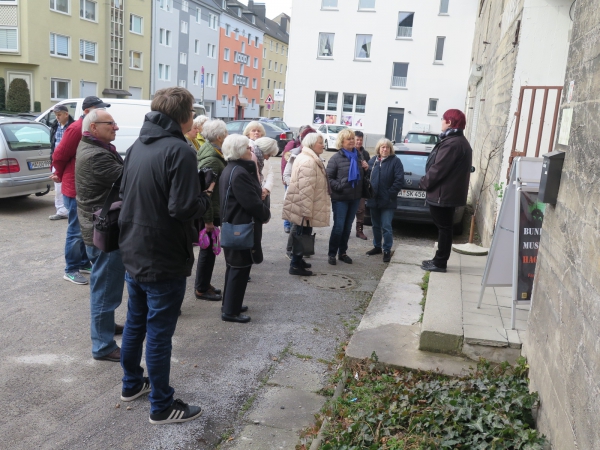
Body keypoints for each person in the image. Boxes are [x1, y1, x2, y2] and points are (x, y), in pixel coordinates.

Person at [118, 87, 212, 425]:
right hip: (162, 256)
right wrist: (205, 194)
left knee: (136, 322)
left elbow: (126, 192)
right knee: (157, 333)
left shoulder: (136, 147)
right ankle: (161, 405)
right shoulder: (180, 151)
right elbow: (182, 207)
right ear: (185, 116)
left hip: (134, 248)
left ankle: (131, 385)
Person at [75, 109, 125, 362]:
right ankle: (103, 346)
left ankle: (106, 327)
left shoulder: (96, 148)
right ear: (94, 128)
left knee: (105, 284)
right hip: (104, 230)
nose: (115, 127)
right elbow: (130, 179)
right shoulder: (97, 156)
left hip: (98, 226)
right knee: (105, 287)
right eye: (110, 124)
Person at [51, 96, 110, 285]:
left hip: (82, 186)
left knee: (85, 228)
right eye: (97, 109)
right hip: (74, 186)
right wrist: (58, 174)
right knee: (76, 230)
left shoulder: (87, 127)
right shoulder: (77, 128)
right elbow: (59, 154)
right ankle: (71, 269)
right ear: (86, 112)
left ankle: (84, 263)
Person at [219, 134, 271, 323]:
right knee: (239, 268)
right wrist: (265, 214)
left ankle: (231, 304)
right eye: (248, 149)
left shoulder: (232, 169)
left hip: (235, 224)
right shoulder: (239, 172)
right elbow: (251, 203)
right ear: (240, 152)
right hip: (240, 226)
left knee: (235, 268)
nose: (251, 151)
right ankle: (230, 311)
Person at [419, 109, 473, 273]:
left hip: (443, 195)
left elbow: (438, 169)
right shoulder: (456, 141)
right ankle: (438, 260)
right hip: (446, 193)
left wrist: (424, 183)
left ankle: (440, 262)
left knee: (444, 228)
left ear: (449, 122)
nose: (441, 122)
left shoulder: (453, 144)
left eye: (443, 119)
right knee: (445, 228)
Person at [283, 132, 331, 276]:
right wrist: (306, 212)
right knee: (301, 234)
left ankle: (299, 260)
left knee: (303, 233)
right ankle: (295, 265)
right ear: (311, 144)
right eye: (320, 142)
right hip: (304, 206)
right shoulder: (309, 162)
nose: (323, 145)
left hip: (304, 205)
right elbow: (306, 190)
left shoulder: (308, 157)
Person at [194, 119, 228, 302]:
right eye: (226, 133)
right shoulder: (212, 159)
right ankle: (201, 288)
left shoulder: (214, 152)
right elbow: (205, 193)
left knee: (210, 251)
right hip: (210, 213)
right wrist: (207, 220)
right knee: (207, 251)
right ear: (219, 137)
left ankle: (205, 284)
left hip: (213, 211)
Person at [326, 129, 368, 265]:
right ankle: (332, 253)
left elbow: (363, 178)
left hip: (355, 197)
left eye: (352, 138)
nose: (352, 141)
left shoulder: (359, 157)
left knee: (347, 227)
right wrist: (339, 185)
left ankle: (342, 252)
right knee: (339, 226)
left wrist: (367, 169)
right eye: (349, 139)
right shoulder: (335, 158)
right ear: (341, 142)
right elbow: (328, 178)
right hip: (340, 198)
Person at [365, 139, 404, 263]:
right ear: (378, 148)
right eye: (382, 147)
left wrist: (389, 194)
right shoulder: (373, 161)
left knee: (386, 226)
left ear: (390, 149)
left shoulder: (396, 161)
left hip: (388, 201)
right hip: (373, 200)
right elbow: (366, 178)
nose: (385, 149)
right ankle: (377, 246)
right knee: (375, 225)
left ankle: (387, 249)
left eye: (387, 147)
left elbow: (399, 180)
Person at [283, 127, 317, 259]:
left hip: (311, 197)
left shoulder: (316, 157)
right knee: (296, 224)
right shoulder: (295, 154)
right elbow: (286, 175)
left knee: (308, 225)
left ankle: (304, 250)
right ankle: (290, 250)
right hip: (297, 195)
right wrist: (295, 187)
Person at [281, 124, 312, 233]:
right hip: (291, 180)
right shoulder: (293, 144)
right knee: (289, 204)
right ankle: (287, 224)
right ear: (301, 134)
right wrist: (284, 178)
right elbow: (285, 161)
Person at [49, 105, 75, 221]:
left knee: (69, 186)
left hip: (68, 160)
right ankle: (61, 211)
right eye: (56, 115)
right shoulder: (55, 126)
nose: (57, 117)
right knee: (58, 186)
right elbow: (53, 143)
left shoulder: (72, 127)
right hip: (57, 159)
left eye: (59, 115)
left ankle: (70, 210)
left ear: (66, 114)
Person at [353, 131, 371, 240]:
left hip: (361, 185)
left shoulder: (365, 153)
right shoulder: (349, 152)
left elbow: (369, 171)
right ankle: (344, 230)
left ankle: (359, 231)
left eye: (360, 140)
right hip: (350, 185)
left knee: (361, 209)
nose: (359, 142)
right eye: (357, 140)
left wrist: (366, 168)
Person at [253, 137, 279, 205]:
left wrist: (266, 189)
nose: (267, 158)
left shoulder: (261, 159)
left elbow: (270, 173)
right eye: (268, 155)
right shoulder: (252, 159)